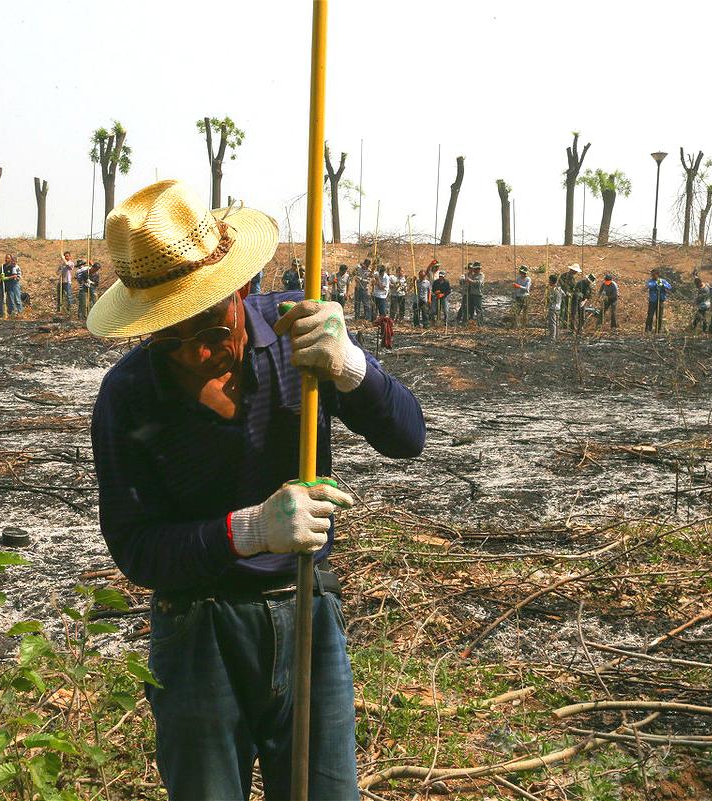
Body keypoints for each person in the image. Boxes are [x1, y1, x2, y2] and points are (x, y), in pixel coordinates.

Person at [87, 180, 425, 801]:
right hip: (195, 631)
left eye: (212, 328)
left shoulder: (303, 338)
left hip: (305, 612)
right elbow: (136, 549)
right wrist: (249, 530)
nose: (197, 355)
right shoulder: (128, 395)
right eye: (169, 337)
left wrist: (350, 365)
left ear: (241, 290)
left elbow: (407, 436)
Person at [645, 268, 672, 333]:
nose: (653, 276)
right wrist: (656, 284)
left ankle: (658, 330)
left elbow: (669, 286)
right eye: (652, 275)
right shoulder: (650, 281)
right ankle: (648, 329)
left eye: (654, 275)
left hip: (660, 301)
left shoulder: (662, 281)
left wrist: (662, 285)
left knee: (659, 316)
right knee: (650, 315)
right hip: (652, 301)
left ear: (658, 274)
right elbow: (649, 285)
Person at [545, 273, 563, 342]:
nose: (549, 282)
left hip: (553, 308)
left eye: (549, 281)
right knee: (556, 323)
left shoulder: (554, 290)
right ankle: (557, 337)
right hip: (558, 308)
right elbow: (564, 294)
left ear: (552, 281)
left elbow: (551, 299)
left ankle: (552, 338)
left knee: (552, 323)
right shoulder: (559, 289)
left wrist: (548, 297)